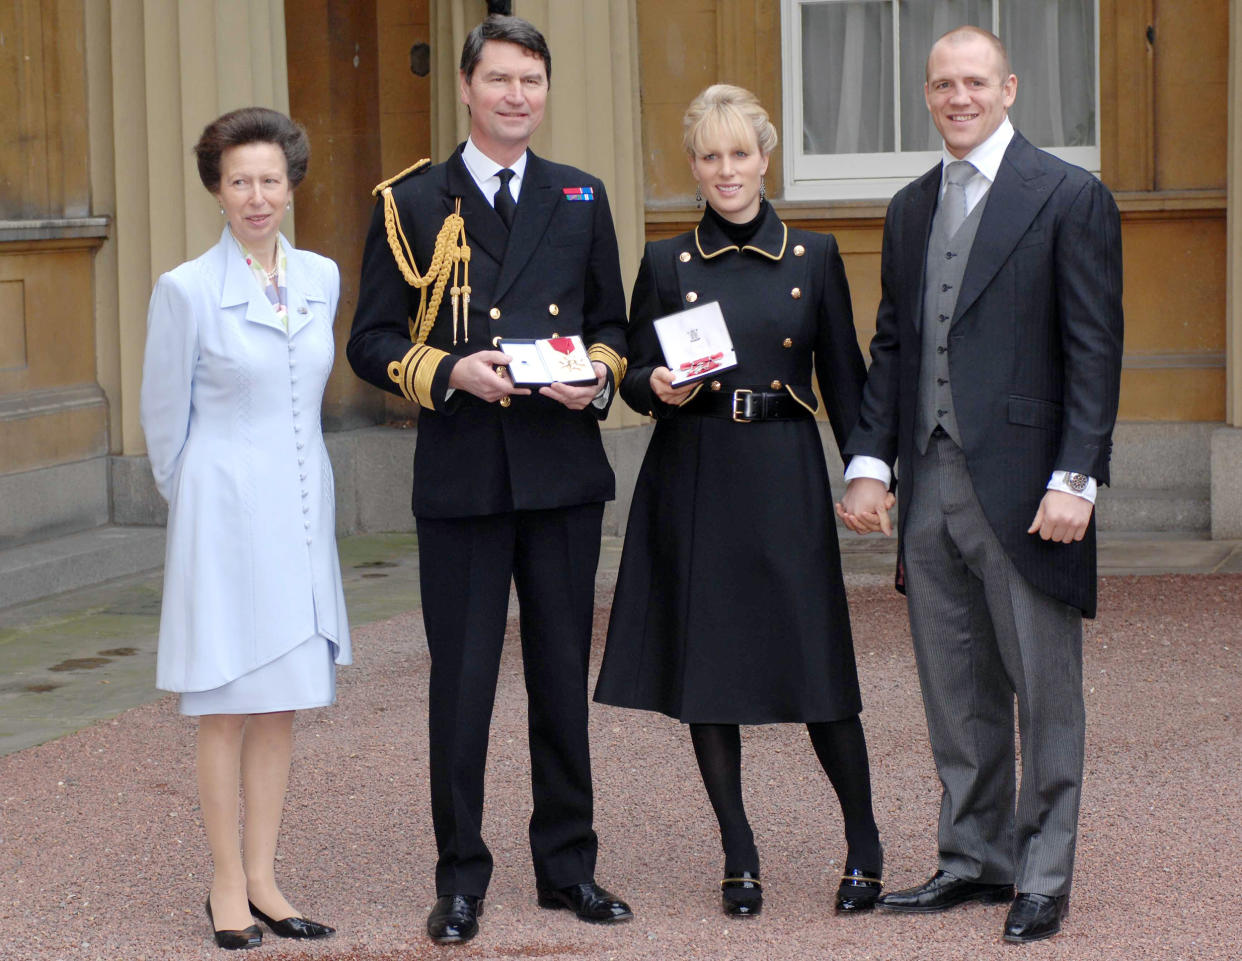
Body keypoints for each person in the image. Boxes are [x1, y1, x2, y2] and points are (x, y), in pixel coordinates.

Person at [347, 15, 631, 945]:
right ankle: (461, 876)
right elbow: (372, 340)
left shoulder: (581, 195)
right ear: (466, 89)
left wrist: (597, 374)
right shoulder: (411, 200)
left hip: (558, 472)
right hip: (465, 472)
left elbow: (612, 325)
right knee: (462, 686)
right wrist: (448, 372)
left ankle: (568, 868)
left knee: (559, 677)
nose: (518, 96)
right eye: (501, 80)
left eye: (533, 82)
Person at [836, 26, 1123, 944]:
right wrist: (871, 460)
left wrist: (1077, 476)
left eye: (974, 82)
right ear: (927, 95)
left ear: (1008, 88)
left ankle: (1043, 871)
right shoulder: (912, 206)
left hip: (1032, 484)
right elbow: (894, 345)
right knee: (952, 682)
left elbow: (1094, 349)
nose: (957, 97)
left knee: (1042, 688)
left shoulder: (1069, 195)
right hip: (930, 478)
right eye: (941, 85)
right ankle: (973, 856)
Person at [594, 84, 885, 919]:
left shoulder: (815, 256)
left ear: (767, 157)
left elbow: (846, 378)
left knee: (819, 666)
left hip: (784, 468)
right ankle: (739, 853)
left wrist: (865, 469)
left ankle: (863, 843)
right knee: (709, 672)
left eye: (740, 153)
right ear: (694, 165)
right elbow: (638, 379)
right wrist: (652, 384)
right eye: (709, 155)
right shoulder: (663, 261)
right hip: (696, 472)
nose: (726, 170)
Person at [140, 107, 350, 950]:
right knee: (224, 706)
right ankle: (225, 882)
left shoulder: (324, 276)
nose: (256, 196)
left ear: (291, 185)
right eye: (239, 182)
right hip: (221, 518)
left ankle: (265, 876)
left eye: (270, 179)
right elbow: (165, 427)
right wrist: (203, 512)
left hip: (303, 512)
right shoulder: (185, 289)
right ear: (216, 191)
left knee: (281, 706)